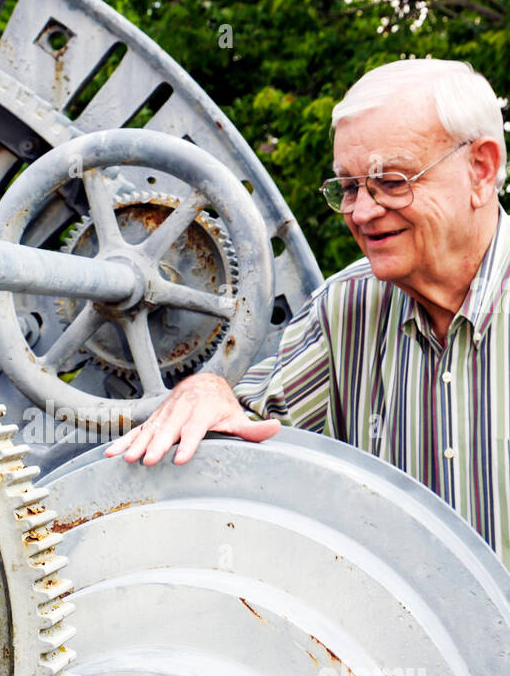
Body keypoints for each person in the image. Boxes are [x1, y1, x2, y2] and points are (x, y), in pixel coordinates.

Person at [105, 58, 510, 568]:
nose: (362, 213)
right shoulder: (344, 311)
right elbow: (253, 426)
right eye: (348, 187)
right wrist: (208, 391)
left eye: (392, 182)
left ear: (482, 169)